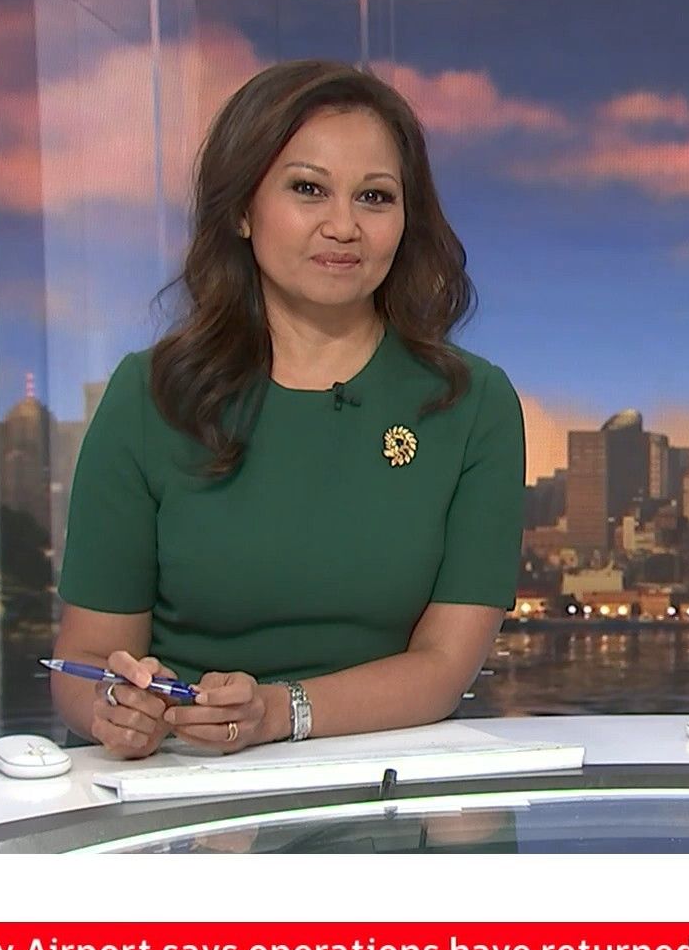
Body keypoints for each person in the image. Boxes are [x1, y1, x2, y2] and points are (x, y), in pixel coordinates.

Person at [52, 59, 525, 759]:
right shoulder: (150, 395)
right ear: (243, 210)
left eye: (375, 197)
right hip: (184, 775)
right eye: (309, 189)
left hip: (387, 776)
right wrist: (116, 708)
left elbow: (443, 667)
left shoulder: (471, 405)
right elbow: (86, 656)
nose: (344, 226)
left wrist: (278, 712)